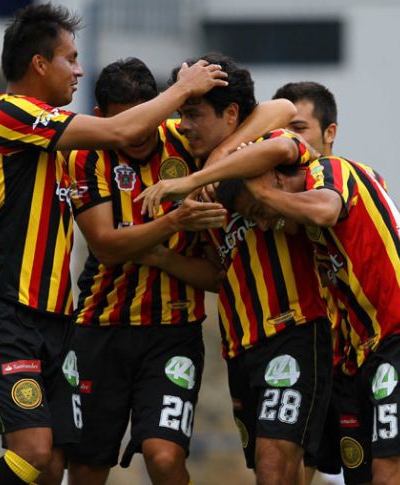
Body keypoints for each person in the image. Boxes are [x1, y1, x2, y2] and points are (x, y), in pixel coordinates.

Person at [0, 3, 229, 485]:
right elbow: (123, 131)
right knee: (34, 452)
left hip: (56, 318)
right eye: (71, 58)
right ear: (39, 64)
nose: (79, 70)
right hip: (3, 308)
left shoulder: (59, 135)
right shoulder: (6, 113)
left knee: (53, 464)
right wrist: (182, 88)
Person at [63, 58, 295, 485]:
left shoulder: (186, 139)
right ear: (102, 117)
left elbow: (281, 109)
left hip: (174, 333)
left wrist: (219, 158)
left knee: (165, 456)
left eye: (145, 118)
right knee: (87, 466)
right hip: (100, 327)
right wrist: (174, 222)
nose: (137, 133)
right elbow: (107, 246)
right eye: (125, 123)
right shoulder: (86, 157)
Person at [197, 150, 400, 485]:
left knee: (388, 476)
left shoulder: (331, 170)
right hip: (358, 358)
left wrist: (259, 191)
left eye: (259, 212)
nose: (263, 223)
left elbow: (326, 208)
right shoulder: (310, 229)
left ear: (274, 177)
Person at [136, 54, 334, 485]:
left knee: (274, 465)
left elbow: (282, 116)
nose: (184, 126)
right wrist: (162, 257)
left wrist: (206, 168)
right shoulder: (198, 170)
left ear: (230, 115)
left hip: (294, 329)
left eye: (194, 115)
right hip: (242, 345)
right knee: (280, 472)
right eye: (181, 115)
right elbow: (218, 274)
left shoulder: (264, 145)